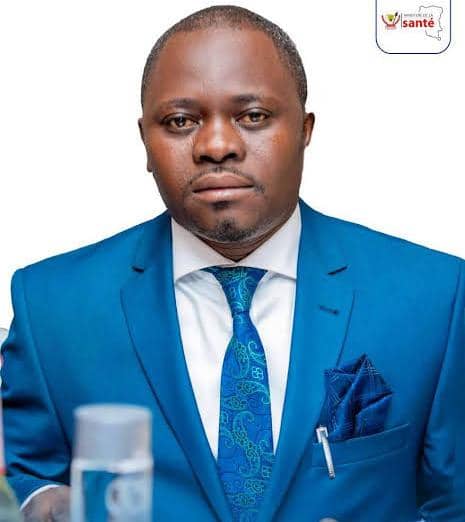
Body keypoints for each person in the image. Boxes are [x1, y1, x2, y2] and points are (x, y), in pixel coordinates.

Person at [1, 5, 464, 522]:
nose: (217, 146)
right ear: (145, 141)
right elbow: (25, 478)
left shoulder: (436, 297)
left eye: (253, 116)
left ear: (305, 129)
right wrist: (39, 503)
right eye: (180, 121)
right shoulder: (51, 307)